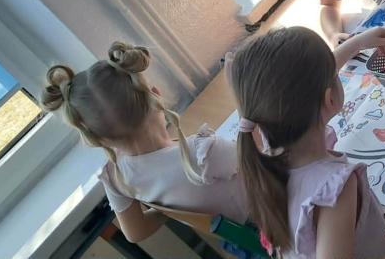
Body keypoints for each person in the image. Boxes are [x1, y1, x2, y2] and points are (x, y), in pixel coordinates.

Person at [229, 26, 385, 258]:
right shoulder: (334, 191)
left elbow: (301, 84)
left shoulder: (267, 148)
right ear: (330, 99)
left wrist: (356, 44)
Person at [41, 42, 247, 243]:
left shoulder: (116, 178)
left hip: (244, 241)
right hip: (265, 222)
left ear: (98, 138)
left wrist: (173, 207)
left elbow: (135, 232)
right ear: (155, 95)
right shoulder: (203, 154)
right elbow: (260, 161)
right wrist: (242, 98)